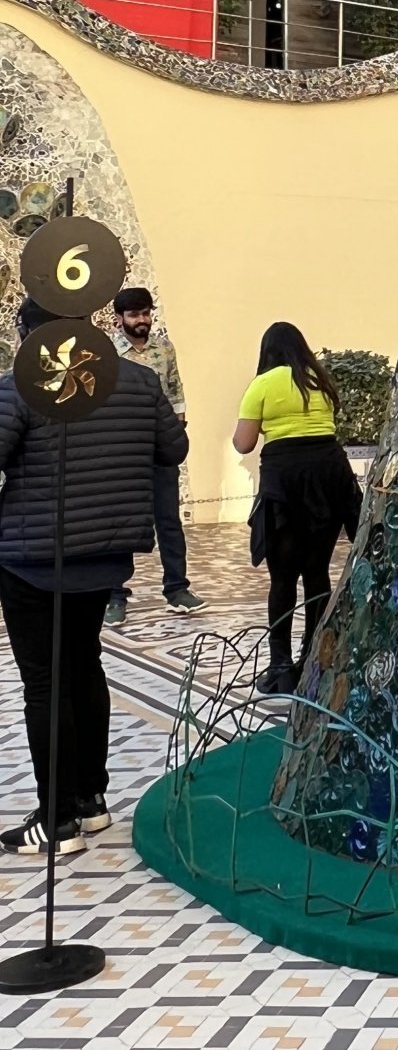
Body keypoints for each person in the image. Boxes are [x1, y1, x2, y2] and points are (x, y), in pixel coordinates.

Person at [0, 297, 187, 857]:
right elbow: (174, 447)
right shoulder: (139, 380)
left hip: (32, 558)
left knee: (45, 684)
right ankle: (90, 801)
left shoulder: (22, 386)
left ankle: (56, 820)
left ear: (32, 335)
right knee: (84, 666)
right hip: (105, 551)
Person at [234, 322, 360, 696]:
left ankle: (280, 667)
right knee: (317, 572)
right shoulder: (319, 381)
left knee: (283, 578)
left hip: (285, 483)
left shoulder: (262, 384)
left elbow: (244, 443)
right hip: (329, 478)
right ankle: (314, 660)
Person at [106, 288, 205, 624]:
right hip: (122, 450)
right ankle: (115, 596)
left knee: (169, 521)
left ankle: (177, 589)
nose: (142, 321)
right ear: (119, 319)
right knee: (120, 523)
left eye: (146, 313)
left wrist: (177, 431)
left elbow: (175, 391)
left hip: (159, 447)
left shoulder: (164, 349)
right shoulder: (106, 353)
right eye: (134, 314)